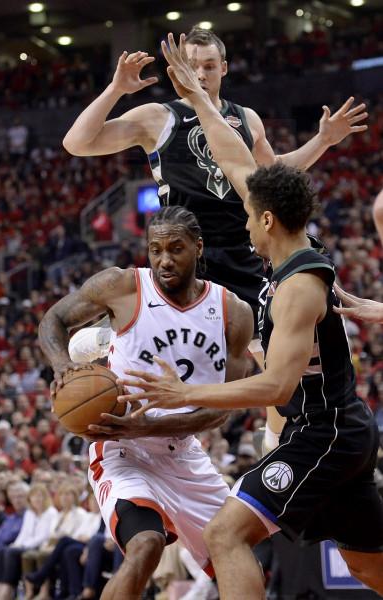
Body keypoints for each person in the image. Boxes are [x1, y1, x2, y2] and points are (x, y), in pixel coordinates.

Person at [119, 34, 383, 599]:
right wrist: (199, 97)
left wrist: (176, 395)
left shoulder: (298, 287)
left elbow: (276, 383)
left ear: (265, 221)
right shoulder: (283, 245)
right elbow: (230, 152)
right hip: (341, 430)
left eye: (246, 218)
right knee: (368, 568)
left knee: (225, 535)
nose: (240, 226)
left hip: (324, 432)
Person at [63, 27, 368, 448]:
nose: (202, 74)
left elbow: (272, 178)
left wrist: (323, 140)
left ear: (224, 68)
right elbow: (77, 143)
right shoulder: (158, 116)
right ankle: (110, 337)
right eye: (193, 66)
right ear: (178, 69)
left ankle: (275, 448)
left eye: (210, 66)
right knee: (176, 341)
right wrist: (117, 88)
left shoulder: (246, 118)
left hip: (243, 251)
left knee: (274, 365)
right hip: (186, 251)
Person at [38, 205, 254, 600]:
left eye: (176, 248)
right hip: (122, 449)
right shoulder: (122, 286)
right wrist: (62, 367)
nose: (164, 260)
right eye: (155, 249)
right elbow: (52, 320)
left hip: (183, 453)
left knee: (239, 557)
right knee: (146, 546)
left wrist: (147, 426)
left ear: (198, 248)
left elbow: (223, 410)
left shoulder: (233, 313)